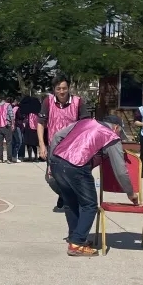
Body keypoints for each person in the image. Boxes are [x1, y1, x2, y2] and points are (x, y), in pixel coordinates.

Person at [49, 115, 136, 257]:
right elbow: (121, 171)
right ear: (116, 127)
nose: (119, 137)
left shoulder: (85, 122)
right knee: (89, 205)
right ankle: (77, 244)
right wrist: (130, 192)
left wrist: (51, 162)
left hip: (57, 161)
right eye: (120, 133)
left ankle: (75, 237)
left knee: (70, 202)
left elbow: (57, 136)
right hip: (76, 166)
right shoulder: (110, 136)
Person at [37, 77, 91, 211]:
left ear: (69, 88)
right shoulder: (48, 101)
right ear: (54, 89)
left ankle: (69, 200)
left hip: (73, 148)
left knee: (71, 176)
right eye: (58, 89)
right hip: (54, 148)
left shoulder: (78, 102)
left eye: (64, 88)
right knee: (51, 178)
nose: (61, 92)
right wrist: (42, 145)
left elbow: (86, 125)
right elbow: (40, 123)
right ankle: (66, 196)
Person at [0, 95, 15, 163]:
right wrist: (13, 124)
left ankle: (0, 158)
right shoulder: (8, 105)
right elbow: (11, 115)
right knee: (9, 143)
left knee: (0, 143)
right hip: (6, 125)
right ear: (6, 99)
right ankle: (9, 159)